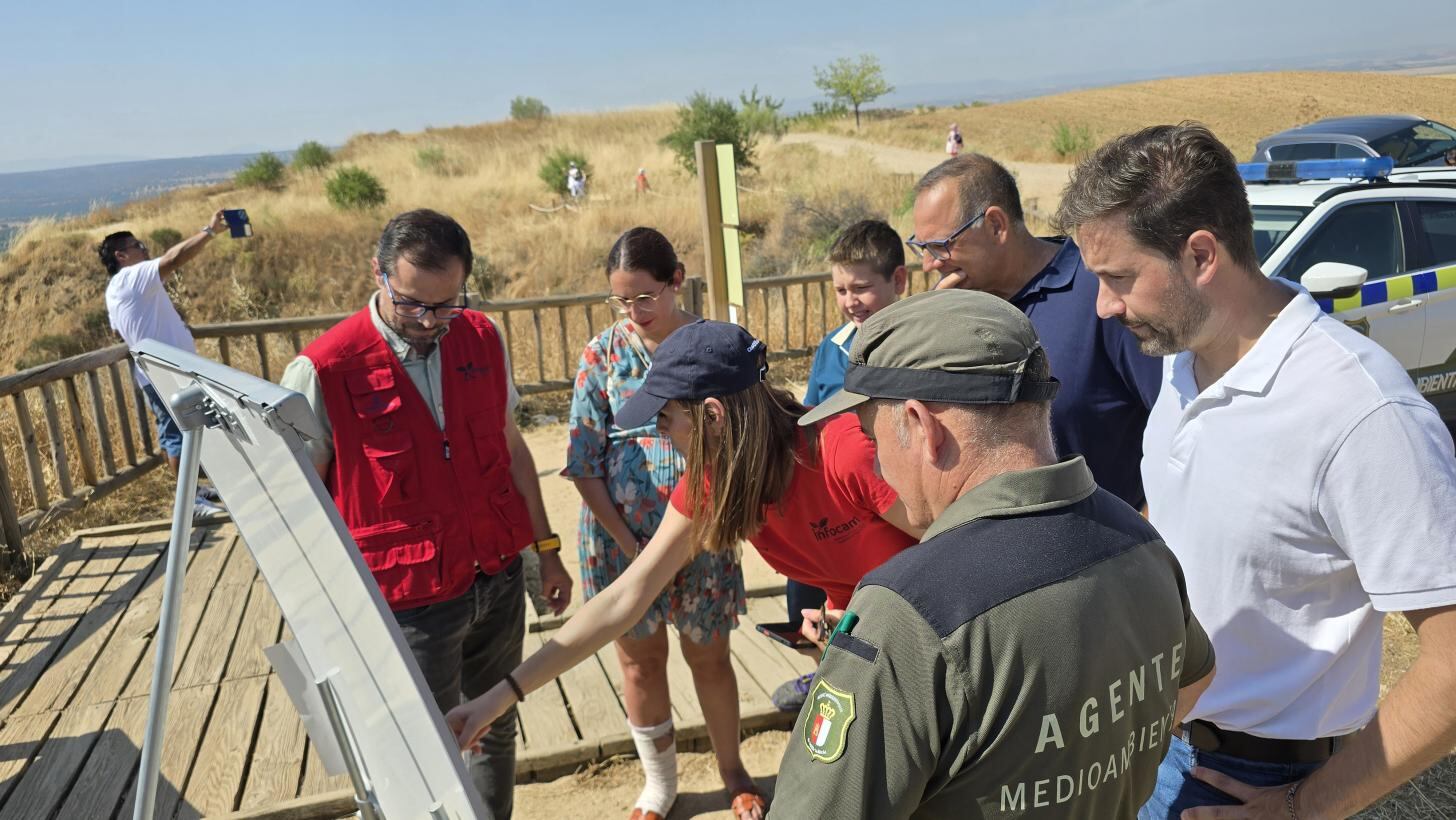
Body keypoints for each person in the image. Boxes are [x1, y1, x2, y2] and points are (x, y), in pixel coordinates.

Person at [1055, 122, 1456, 819]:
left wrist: (1305, 807)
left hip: (1259, 781)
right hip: (1154, 742)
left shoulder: (1358, 408)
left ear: (1202, 255)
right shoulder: (1181, 364)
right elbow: (1187, 522)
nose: (1103, 306)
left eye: (1119, 278)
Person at [447, 320, 923, 820]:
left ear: (712, 415)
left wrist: (867, 610)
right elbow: (624, 597)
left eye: (665, 419)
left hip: (931, 654)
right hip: (868, 652)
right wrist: (499, 698)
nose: (659, 432)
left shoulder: (842, 451)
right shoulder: (717, 481)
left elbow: (958, 547)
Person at [769, 289, 1214, 818]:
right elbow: (1195, 676)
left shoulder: (907, 612)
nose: (880, 468)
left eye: (871, 437)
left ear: (921, 426)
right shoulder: (1139, 541)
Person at [278, 209, 573, 819]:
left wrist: (544, 551)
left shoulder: (482, 338)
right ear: (379, 275)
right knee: (419, 750)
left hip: (497, 578)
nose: (430, 322)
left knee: (494, 725)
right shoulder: (323, 369)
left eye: (447, 305)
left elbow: (510, 449)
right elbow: (296, 508)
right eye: (413, 304)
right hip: (407, 602)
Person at [562, 227, 746, 820]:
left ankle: (732, 772)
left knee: (711, 658)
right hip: (620, 540)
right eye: (620, 300)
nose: (633, 312)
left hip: (706, 535)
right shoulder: (602, 354)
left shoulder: (714, 346)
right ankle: (659, 785)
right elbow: (584, 461)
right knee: (639, 663)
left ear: (677, 280)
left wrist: (709, 525)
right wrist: (631, 544)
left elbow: (743, 443)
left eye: (644, 297)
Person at [909, 154, 1162, 510]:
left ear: (996, 225)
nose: (929, 264)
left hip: (1106, 554)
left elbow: (1174, 424)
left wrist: (1149, 539)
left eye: (941, 246)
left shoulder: (1101, 295)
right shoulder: (959, 313)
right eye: (921, 248)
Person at [777, 219, 908, 713]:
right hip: (839, 498)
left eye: (861, 288)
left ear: (898, 281)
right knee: (810, 597)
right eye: (839, 289)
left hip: (893, 497)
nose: (850, 301)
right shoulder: (832, 347)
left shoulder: (919, 339)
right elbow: (812, 416)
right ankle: (824, 674)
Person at [100, 209, 232, 521]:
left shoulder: (115, 289)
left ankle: (194, 491)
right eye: (138, 246)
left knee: (187, 432)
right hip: (163, 373)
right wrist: (210, 231)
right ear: (121, 255)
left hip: (163, 371)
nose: (144, 249)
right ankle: (188, 504)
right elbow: (173, 259)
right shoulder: (132, 276)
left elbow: (117, 331)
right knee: (175, 435)